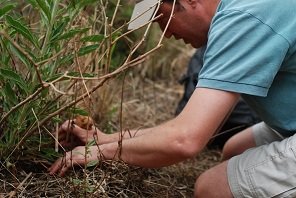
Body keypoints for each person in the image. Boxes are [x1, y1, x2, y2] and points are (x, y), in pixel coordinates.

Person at [49, 0, 296, 197]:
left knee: (212, 189)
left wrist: (100, 153)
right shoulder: (235, 11)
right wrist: (105, 140)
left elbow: (184, 140)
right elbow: (192, 128)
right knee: (234, 149)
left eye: (162, 18)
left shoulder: (243, 20)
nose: (165, 34)